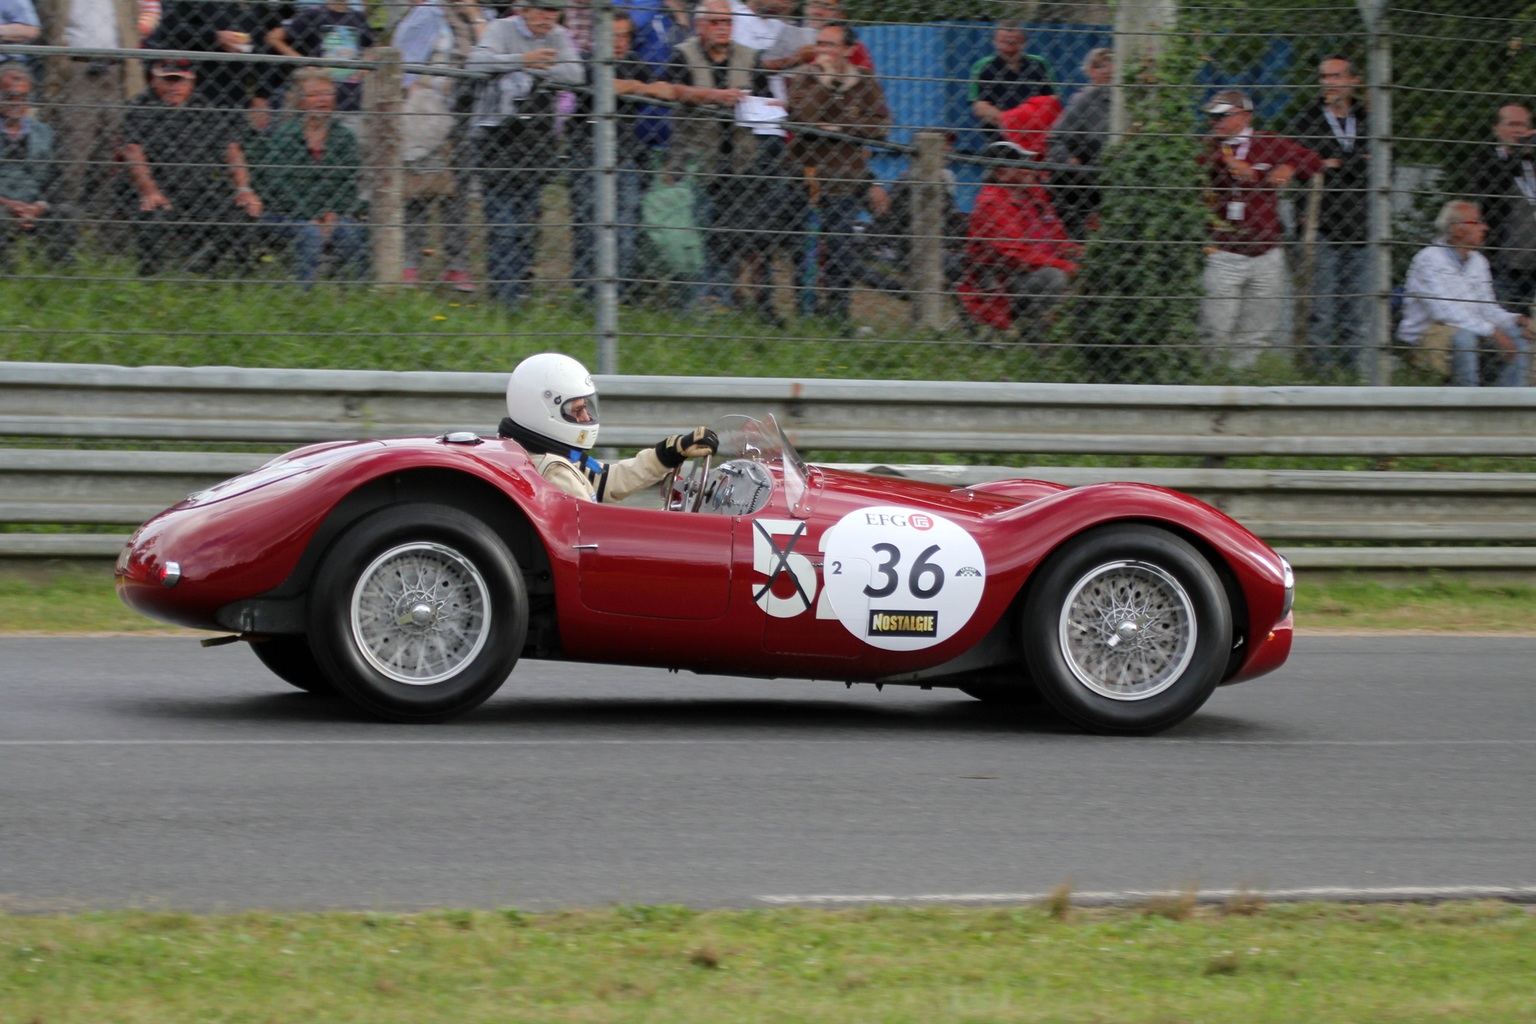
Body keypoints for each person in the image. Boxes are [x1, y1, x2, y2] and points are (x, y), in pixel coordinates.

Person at [568, 11, 744, 302]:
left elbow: (666, 88)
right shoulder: (587, 60)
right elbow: (602, 85)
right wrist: (637, 87)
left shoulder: (633, 62)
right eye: (613, 36)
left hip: (623, 157)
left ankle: (616, 295)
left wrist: (711, 95)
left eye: (624, 36)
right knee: (590, 226)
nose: (619, 43)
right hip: (586, 156)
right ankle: (588, 296)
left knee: (624, 226)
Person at [662, 0, 780, 321]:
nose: (722, 28)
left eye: (726, 22)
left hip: (740, 162)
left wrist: (772, 105)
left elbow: (765, 97)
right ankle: (695, 303)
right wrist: (715, 97)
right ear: (699, 25)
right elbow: (674, 91)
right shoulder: (682, 54)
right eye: (714, 22)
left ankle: (721, 301)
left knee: (728, 236)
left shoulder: (748, 56)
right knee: (696, 238)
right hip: (696, 161)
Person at [467, 0, 583, 310]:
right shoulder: (501, 29)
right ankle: (503, 299)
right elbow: (475, 64)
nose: (549, 17)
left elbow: (575, 74)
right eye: (543, 9)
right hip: (499, 141)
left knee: (528, 225)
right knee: (503, 225)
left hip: (537, 144)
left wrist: (531, 68)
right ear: (525, 9)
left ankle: (517, 294)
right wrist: (524, 60)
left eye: (554, 11)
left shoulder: (558, 35)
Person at [1197, 88, 1321, 369]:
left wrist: (1289, 166)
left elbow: (1312, 160)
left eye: (1222, 116)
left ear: (1244, 116)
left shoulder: (1268, 143)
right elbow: (1194, 160)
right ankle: (1210, 381)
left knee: (1256, 333)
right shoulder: (1209, 146)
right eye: (1212, 117)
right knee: (1214, 329)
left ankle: (1242, 384)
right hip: (1224, 252)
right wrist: (1225, 160)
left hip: (1266, 252)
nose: (1215, 122)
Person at [497, 352, 719, 502]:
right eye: (577, 411)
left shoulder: (541, 456)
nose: (585, 418)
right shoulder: (555, 472)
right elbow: (591, 532)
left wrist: (668, 453)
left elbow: (605, 479)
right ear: (543, 409)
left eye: (585, 408)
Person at [787, 20, 891, 327]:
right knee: (802, 248)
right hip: (805, 173)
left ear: (848, 50)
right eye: (819, 43)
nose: (822, 50)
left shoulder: (865, 81)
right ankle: (806, 311)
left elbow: (880, 127)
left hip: (846, 178)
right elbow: (803, 118)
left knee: (840, 250)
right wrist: (826, 80)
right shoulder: (806, 77)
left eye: (830, 45)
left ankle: (838, 314)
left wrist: (841, 129)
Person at [120, 57, 264, 275]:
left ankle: (209, 270)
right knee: (152, 213)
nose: (174, 87)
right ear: (155, 80)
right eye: (168, 80)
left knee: (243, 210)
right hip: (158, 189)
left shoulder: (203, 107)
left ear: (191, 82)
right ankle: (152, 277)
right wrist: (150, 191)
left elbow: (231, 149)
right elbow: (133, 151)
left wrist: (244, 189)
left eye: (180, 81)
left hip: (199, 189)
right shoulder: (140, 107)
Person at [392, 0, 489, 291]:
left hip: (469, 116)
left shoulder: (484, 17)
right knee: (420, 191)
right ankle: (409, 264)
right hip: (429, 114)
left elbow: (492, 57)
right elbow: (405, 67)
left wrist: (474, 15)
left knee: (457, 196)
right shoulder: (428, 13)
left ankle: (456, 266)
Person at [1287, 55, 1372, 376]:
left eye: (1336, 76)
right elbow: (1307, 168)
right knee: (1320, 312)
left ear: (1353, 81)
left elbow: (1382, 168)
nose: (1328, 83)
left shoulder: (1369, 120)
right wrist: (1356, 162)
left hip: (1362, 227)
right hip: (1321, 224)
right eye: (1324, 77)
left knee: (1354, 315)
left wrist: (1335, 163)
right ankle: (1319, 378)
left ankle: (1350, 379)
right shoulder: (1307, 119)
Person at [35, 0, 156, 219]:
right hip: (76, 67)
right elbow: (48, 22)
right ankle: (66, 216)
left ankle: (102, 216)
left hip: (117, 68)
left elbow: (133, 22)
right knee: (74, 145)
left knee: (111, 146)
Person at [249, 68, 367, 287]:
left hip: (329, 214)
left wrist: (331, 213)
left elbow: (348, 183)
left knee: (352, 233)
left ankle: (351, 291)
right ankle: (304, 295)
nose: (322, 100)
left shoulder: (344, 137)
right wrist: (311, 216)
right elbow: (278, 186)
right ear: (301, 102)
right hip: (285, 214)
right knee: (309, 232)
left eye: (327, 94)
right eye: (314, 95)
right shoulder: (285, 136)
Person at [1398, 200, 1532, 388]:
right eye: (1476, 223)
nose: (1485, 227)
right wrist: (1492, 331)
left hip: (1471, 328)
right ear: (1457, 230)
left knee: (1518, 337)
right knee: (1464, 339)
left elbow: (1488, 309)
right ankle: (1468, 399)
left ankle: (1507, 402)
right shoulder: (1428, 259)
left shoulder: (1478, 261)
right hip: (1430, 331)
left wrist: (1517, 320)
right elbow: (1444, 313)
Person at [959, 137, 1080, 333]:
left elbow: (1061, 242)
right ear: (1002, 173)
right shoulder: (992, 202)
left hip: (1042, 268)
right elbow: (1014, 254)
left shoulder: (1035, 199)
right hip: (1006, 280)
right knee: (1053, 277)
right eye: (1022, 164)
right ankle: (1034, 332)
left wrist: (1085, 257)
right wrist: (1068, 267)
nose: (1030, 169)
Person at [147, 1, 286, 124]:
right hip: (199, 89)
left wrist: (261, 96)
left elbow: (262, 50)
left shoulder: (255, 6)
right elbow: (172, 29)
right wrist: (214, 36)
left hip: (237, 95)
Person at [1456, 104, 1536, 314]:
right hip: (1508, 261)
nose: (1518, 130)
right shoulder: (1485, 162)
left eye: (1524, 125)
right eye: (1512, 124)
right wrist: (1517, 153)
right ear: (1496, 128)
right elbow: (1494, 189)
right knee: (1505, 320)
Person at [0, 65, 78, 270]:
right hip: (3, 204)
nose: (17, 102)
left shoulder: (45, 133)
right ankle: (7, 274)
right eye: (10, 95)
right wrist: (9, 204)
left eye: (23, 96)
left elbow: (56, 178)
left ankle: (60, 274)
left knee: (66, 213)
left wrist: (40, 206)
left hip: (35, 205)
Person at [1045, 45, 1112, 240]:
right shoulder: (1085, 100)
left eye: (1111, 63)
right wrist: (1069, 161)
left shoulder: (1127, 99)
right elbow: (1055, 138)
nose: (1108, 69)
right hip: (1085, 180)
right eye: (1101, 65)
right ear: (1090, 71)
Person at [267, 0, 377, 116]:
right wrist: (305, 63)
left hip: (352, 95)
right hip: (320, 95)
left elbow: (372, 47)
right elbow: (274, 38)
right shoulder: (313, 14)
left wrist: (365, 65)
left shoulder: (359, 17)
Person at [968, 19, 1054, 143]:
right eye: (1004, 42)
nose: (1008, 48)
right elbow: (980, 107)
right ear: (995, 42)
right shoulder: (983, 67)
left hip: (1035, 135)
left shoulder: (1039, 64)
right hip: (999, 136)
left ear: (1024, 42)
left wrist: (1029, 123)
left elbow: (1052, 100)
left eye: (1014, 43)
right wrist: (1011, 123)